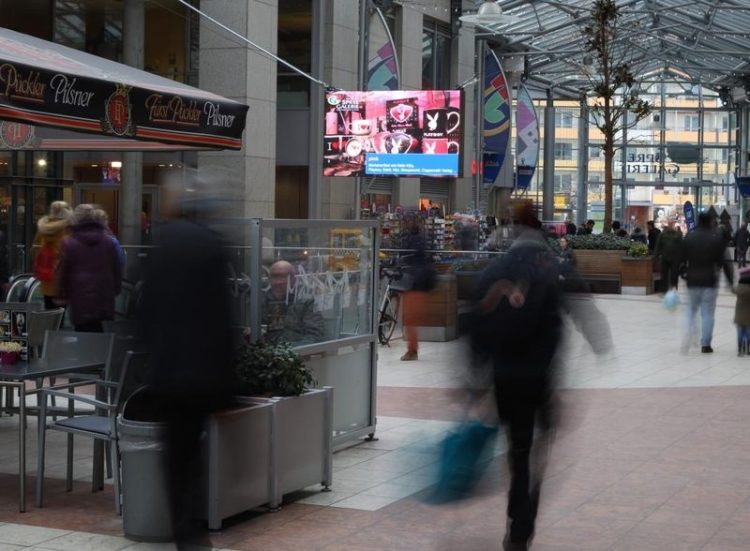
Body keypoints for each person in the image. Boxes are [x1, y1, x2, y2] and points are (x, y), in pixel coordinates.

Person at [139, 176, 236, 548]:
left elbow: (145, 309)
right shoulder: (213, 245)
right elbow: (223, 316)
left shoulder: (159, 244)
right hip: (204, 374)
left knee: (177, 460)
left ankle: (186, 534)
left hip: (167, 372)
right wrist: (228, 378)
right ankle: (193, 534)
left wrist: (148, 356)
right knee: (195, 455)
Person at [472, 205, 563, 550]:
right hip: (539, 379)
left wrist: (474, 375)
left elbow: (476, 321)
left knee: (517, 449)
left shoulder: (496, 268)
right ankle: (523, 522)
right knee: (537, 450)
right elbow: (558, 326)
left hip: (505, 379)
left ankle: (517, 514)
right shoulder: (549, 270)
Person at [57, 204, 121, 332]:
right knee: (98, 330)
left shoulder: (69, 243)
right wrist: (116, 289)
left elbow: (63, 270)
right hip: (103, 293)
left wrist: (61, 293)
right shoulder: (109, 241)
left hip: (79, 296)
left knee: (83, 331)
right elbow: (116, 268)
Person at [681, 212, 734, 353]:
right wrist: (730, 281)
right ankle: (705, 344)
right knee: (707, 314)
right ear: (710, 222)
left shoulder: (689, 237)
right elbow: (724, 262)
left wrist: (680, 274)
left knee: (691, 310)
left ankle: (687, 335)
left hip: (692, 280)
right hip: (709, 281)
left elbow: (680, 259)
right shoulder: (716, 239)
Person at [399, 215, 436, 361]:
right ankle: (412, 349)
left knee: (410, 318)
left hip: (416, 282)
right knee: (411, 318)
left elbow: (409, 258)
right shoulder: (419, 239)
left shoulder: (413, 240)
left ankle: (412, 351)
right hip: (417, 281)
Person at [262, 259, 323, 345]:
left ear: (293, 278)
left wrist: (289, 351)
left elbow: (315, 336)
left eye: (283, 277)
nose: (278, 282)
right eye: (274, 277)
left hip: (295, 351)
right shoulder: (264, 299)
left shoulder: (306, 300)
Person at [33, 201, 73, 309]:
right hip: (62, 279)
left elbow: (35, 249)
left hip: (46, 279)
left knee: (49, 309)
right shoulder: (66, 231)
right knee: (61, 312)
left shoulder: (43, 229)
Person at [655, 220, 683, 292]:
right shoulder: (662, 234)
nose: (671, 226)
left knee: (674, 274)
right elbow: (658, 246)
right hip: (664, 257)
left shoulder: (678, 234)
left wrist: (682, 258)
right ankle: (664, 289)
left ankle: (674, 288)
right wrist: (656, 257)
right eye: (670, 224)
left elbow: (681, 246)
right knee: (664, 274)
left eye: (672, 224)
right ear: (668, 225)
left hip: (675, 258)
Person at [734, 267, 750, 356]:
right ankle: (748, 349)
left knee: (740, 333)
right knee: (748, 333)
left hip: (739, 317)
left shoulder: (738, 290)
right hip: (748, 317)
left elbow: (732, 289)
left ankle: (740, 349)